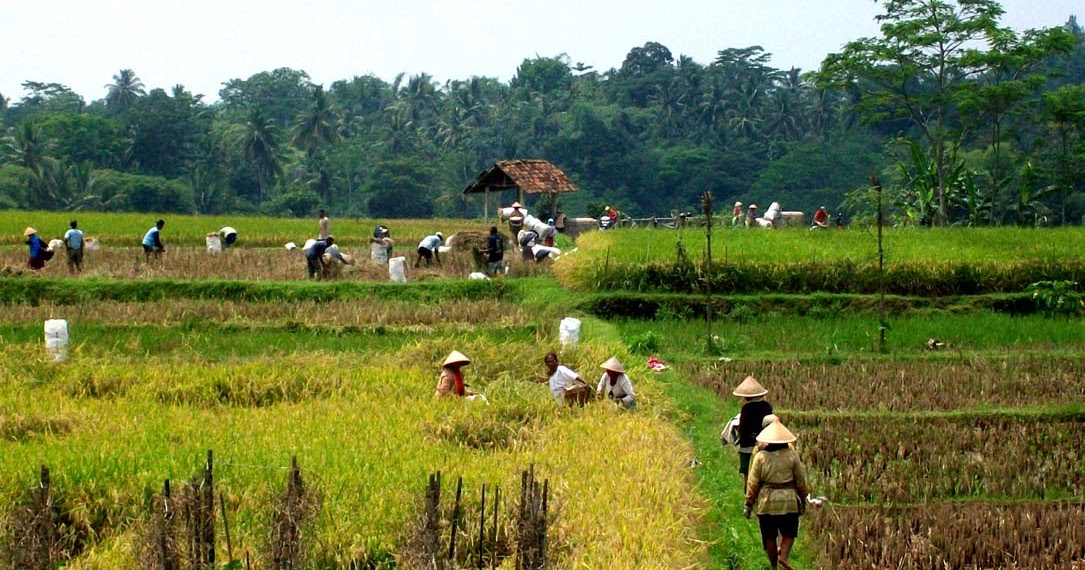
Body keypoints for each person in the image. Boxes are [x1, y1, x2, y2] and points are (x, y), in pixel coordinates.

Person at [744, 420, 809, 570]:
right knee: (790, 532)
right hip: (788, 500)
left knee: (769, 536)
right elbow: (800, 480)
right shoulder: (792, 455)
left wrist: (749, 503)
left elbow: (753, 482)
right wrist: (803, 497)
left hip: (767, 502)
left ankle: (774, 566)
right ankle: (784, 556)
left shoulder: (760, 457)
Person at [733, 375, 773, 483]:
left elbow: (743, 428)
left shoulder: (746, 409)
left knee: (748, 474)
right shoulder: (767, 406)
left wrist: (738, 431)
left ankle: (747, 494)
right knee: (763, 473)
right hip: (765, 445)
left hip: (748, 446)